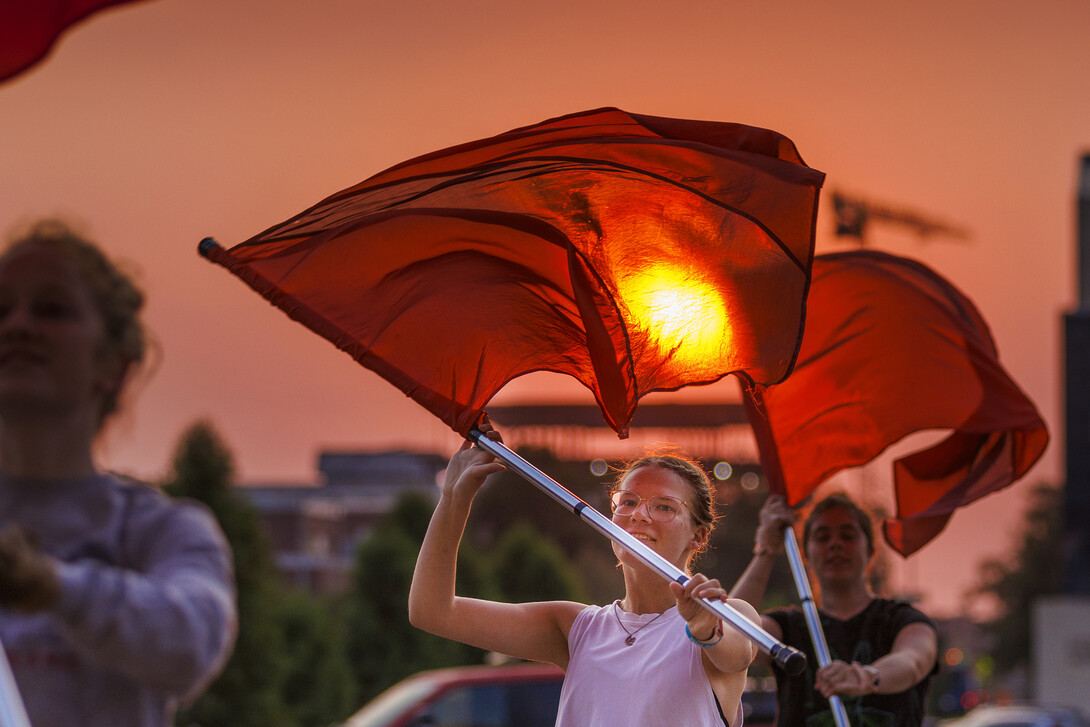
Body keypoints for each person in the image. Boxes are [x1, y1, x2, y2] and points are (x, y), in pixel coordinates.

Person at [0, 220, 237, 727]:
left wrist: (54, 587)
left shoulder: (160, 530)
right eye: (0, 310)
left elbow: (193, 639)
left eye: (51, 309)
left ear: (115, 363)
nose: (17, 325)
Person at [409, 422, 760, 727]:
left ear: (698, 535)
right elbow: (433, 612)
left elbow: (736, 653)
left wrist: (707, 631)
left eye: (663, 506)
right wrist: (453, 500)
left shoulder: (729, 615)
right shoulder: (575, 627)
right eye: (628, 501)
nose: (639, 515)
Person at [730, 494, 938, 727]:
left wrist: (865, 677)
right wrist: (766, 550)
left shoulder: (903, 619)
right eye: (822, 537)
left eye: (848, 535)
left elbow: (913, 661)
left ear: (871, 550)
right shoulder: (787, 626)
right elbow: (729, 637)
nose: (835, 544)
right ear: (805, 555)